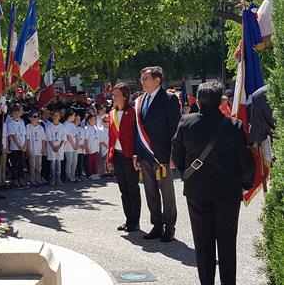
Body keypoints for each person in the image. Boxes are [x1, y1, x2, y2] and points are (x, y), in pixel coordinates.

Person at [171, 82, 255, 285]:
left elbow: (177, 157)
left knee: (203, 243)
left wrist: (188, 176)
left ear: (198, 101)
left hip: (197, 191)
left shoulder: (185, 123)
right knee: (227, 243)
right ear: (221, 102)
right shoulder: (233, 126)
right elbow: (245, 161)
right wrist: (246, 183)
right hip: (227, 192)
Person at [134, 66, 181, 242]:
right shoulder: (140, 100)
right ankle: (157, 224)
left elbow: (175, 128)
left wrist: (173, 154)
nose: (142, 81)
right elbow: (137, 130)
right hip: (145, 154)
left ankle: (169, 227)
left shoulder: (168, 99)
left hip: (162, 155)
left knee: (166, 192)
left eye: (145, 78)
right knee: (150, 191)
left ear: (157, 80)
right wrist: (136, 154)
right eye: (141, 78)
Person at [107, 83, 141, 232]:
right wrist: (109, 157)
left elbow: (137, 136)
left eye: (117, 94)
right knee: (123, 190)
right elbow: (111, 138)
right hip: (118, 156)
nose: (114, 97)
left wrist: (137, 155)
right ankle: (128, 219)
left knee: (133, 189)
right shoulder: (112, 113)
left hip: (129, 156)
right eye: (113, 94)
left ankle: (135, 221)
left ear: (125, 96)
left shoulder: (133, 112)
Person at [8, 104, 27, 187]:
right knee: (15, 164)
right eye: (14, 113)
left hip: (23, 147)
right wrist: (20, 147)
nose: (16, 114)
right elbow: (13, 136)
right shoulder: (10, 123)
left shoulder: (22, 122)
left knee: (22, 164)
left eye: (18, 113)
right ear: (12, 114)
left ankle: (21, 178)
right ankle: (14, 180)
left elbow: (25, 135)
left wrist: (25, 146)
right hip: (15, 147)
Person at [26, 111, 46, 186]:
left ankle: (38, 179)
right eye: (34, 116)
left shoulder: (41, 128)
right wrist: (28, 149)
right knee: (32, 165)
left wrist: (43, 149)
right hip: (32, 149)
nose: (36, 118)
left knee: (38, 166)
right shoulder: (28, 127)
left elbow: (43, 139)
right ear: (30, 118)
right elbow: (27, 139)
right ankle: (32, 180)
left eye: (37, 116)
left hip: (39, 149)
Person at [46, 110, 66, 186]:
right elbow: (49, 138)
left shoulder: (62, 126)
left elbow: (63, 138)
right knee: (53, 164)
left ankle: (58, 179)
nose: (55, 117)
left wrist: (59, 147)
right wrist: (53, 147)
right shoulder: (49, 126)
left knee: (59, 164)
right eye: (54, 115)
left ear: (59, 117)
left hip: (59, 148)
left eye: (57, 115)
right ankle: (53, 179)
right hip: (52, 148)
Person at [63, 110, 79, 182]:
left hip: (75, 147)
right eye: (73, 116)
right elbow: (68, 136)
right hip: (68, 147)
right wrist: (73, 145)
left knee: (75, 162)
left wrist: (77, 145)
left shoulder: (72, 124)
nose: (74, 117)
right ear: (70, 116)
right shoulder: (65, 124)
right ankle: (68, 176)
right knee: (69, 162)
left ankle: (73, 175)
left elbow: (76, 134)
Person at [84, 114, 101, 180]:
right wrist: (87, 148)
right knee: (89, 162)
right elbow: (86, 139)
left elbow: (98, 138)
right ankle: (90, 174)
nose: (94, 120)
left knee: (95, 161)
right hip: (90, 147)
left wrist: (98, 146)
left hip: (95, 147)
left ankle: (95, 173)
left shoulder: (96, 127)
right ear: (89, 120)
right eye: (93, 119)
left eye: (95, 119)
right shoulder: (86, 128)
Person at [74, 114, 86, 180]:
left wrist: (84, 145)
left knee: (80, 163)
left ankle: (80, 175)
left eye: (79, 120)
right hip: (75, 148)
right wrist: (78, 145)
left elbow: (84, 138)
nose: (78, 121)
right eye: (77, 119)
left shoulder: (81, 128)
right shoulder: (73, 128)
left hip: (81, 149)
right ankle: (75, 175)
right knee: (75, 163)